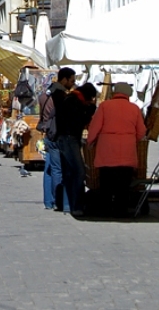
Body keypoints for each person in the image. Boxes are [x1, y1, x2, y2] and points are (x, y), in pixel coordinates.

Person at [87, 82, 147, 217]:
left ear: (115, 92)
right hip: (127, 152)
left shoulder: (104, 106)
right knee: (124, 186)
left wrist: (91, 141)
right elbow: (141, 131)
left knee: (106, 184)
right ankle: (121, 211)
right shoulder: (134, 108)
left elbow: (94, 127)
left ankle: (106, 210)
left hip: (106, 151)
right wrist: (132, 139)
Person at [56, 82, 97, 216]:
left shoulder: (71, 99)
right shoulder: (74, 101)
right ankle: (77, 206)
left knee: (70, 172)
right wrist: (90, 110)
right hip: (69, 138)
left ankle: (69, 205)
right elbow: (78, 121)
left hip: (65, 138)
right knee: (79, 171)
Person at [39, 67, 76, 212]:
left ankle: (48, 200)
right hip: (57, 135)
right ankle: (58, 201)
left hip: (48, 133)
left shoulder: (44, 95)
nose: (73, 83)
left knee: (49, 168)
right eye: (72, 80)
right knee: (57, 169)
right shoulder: (60, 97)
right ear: (64, 79)